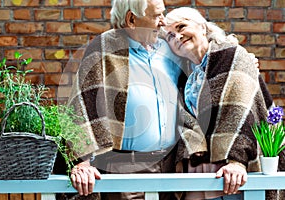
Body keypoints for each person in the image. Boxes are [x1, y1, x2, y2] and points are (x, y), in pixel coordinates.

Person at [66, 0, 193, 199]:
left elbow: (206, 47)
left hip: (171, 165)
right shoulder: (104, 47)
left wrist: (241, 58)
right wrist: (82, 161)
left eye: (163, 13)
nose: (162, 21)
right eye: (156, 16)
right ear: (132, 19)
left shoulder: (170, 46)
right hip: (125, 168)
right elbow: (82, 104)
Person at [162, 7, 274, 200]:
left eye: (182, 27)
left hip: (232, 172)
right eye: (170, 36)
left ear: (202, 28)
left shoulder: (233, 56)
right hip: (197, 171)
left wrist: (236, 161)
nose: (178, 36)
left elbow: (240, 110)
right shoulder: (180, 75)